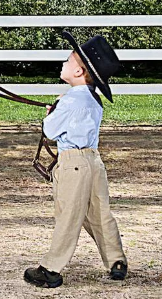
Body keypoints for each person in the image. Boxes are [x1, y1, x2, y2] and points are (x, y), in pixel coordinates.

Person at [24, 31, 127, 288]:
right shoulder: (94, 100)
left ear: (79, 72)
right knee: (100, 212)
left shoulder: (70, 100)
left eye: (69, 60)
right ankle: (116, 260)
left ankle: (51, 269)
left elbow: (50, 131)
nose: (64, 63)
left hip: (73, 164)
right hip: (93, 162)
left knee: (68, 215)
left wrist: (52, 113)